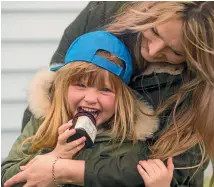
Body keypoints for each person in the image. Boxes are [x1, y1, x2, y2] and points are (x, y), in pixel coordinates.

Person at [2, 1, 213, 187]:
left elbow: (163, 171)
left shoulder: (130, 143)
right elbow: (11, 175)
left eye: (176, 52)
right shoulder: (102, 11)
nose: (153, 51)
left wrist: (62, 169)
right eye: (155, 32)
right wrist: (53, 156)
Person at [2, 30, 174, 187]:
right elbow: (7, 178)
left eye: (105, 89)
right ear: (63, 87)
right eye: (80, 85)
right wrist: (55, 156)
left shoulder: (129, 143)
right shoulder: (43, 123)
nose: (91, 99)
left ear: (122, 100)